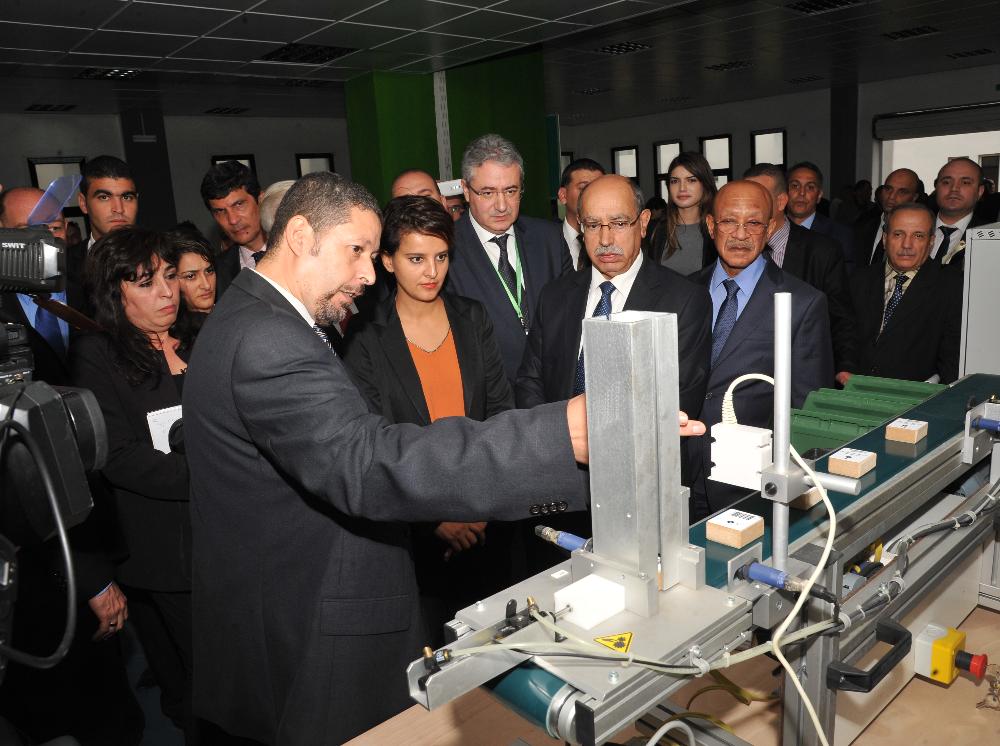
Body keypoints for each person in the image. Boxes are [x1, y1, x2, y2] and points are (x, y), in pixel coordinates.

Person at [182, 171, 705, 744]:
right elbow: (366, 460)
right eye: (356, 251)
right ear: (302, 235)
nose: (365, 274)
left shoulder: (255, 314)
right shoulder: (268, 337)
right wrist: (557, 433)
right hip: (303, 625)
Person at [344, 195, 516, 646]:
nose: (431, 272)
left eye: (440, 257)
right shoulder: (364, 334)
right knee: (434, 659)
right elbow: (375, 440)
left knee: (498, 648)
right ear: (387, 260)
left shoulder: (472, 316)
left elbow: (499, 412)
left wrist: (481, 506)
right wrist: (434, 519)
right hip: (415, 534)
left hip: (487, 518)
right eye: (416, 258)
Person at [516, 174, 712, 567]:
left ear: (642, 224)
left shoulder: (683, 300)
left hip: (639, 497)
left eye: (619, 223)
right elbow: (530, 380)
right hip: (559, 489)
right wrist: (555, 450)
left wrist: (599, 447)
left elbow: (678, 399)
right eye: (592, 225)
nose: (605, 238)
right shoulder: (555, 296)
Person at [71, 227, 197, 741]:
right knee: (199, 678)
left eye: (169, 276)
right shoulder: (97, 355)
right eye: (146, 283)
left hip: (226, 529)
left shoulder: (200, 333)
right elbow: (117, 457)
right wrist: (215, 477)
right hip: (162, 545)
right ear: (115, 294)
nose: (167, 292)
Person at [689, 181, 833, 520]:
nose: (740, 234)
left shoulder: (803, 303)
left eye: (753, 223)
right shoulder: (683, 292)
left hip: (750, 483)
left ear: (769, 228)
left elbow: (805, 407)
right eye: (728, 222)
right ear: (711, 226)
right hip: (680, 471)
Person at [447, 133, 571, 383]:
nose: (502, 205)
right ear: (466, 191)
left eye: (510, 191)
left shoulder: (549, 238)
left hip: (553, 391)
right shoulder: (446, 251)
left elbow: (571, 312)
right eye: (488, 193)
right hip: (490, 400)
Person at [744, 164, 857, 385]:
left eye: (758, 197)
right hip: (747, 370)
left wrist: (846, 365)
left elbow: (840, 315)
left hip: (800, 372)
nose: (748, 205)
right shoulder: (735, 246)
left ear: (780, 201)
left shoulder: (822, 250)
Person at [849, 203, 962, 384]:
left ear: (931, 241)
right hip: (853, 394)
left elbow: (953, 357)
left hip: (918, 401)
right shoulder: (858, 279)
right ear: (885, 239)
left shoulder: (952, 285)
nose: (907, 245)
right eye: (898, 234)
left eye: (918, 236)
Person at [201, 160, 266, 298]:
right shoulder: (214, 274)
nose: (233, 220)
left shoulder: (298, 252)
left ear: (260, 200)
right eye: (220, 211)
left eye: (239, 204)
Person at [646, 152, 717, 275]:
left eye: (691, 180)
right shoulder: (656, 230)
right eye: (675, 181)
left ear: (705, 184)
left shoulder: (718, 230)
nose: (682, 188)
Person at [786, 161, 857, 271]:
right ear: (785, 193)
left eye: (810, 187)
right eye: (795, 186)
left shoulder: (840, 235)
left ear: (819, 196)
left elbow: (845, 281)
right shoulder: (770, 231)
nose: (801, 193)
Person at [928, 157, 987, 269]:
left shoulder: (991, 238)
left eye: (965, 182)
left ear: (980, 191)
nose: (954, 188)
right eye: (946, 182)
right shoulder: (913, 228)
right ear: (936, 188)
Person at [855, 168, 919, 268]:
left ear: (914, 198)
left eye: (902, 192)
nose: (892, 196)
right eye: (888, 189)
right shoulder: (861, 227)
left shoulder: (919, 237)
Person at [556, 158, 605, 270]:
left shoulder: (613, 239)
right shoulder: (545, 241)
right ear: (563, 195)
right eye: (584, 188)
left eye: (598, 189)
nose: (592, 195)